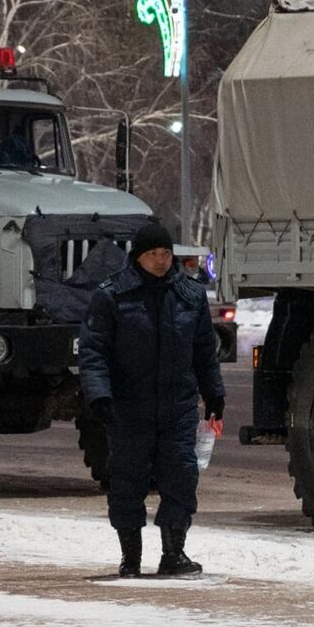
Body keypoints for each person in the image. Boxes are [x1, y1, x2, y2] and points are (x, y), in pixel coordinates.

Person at [78, 221, 227, 577]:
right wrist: (99, 395)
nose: (161, 261)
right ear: (138, 257)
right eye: (152, 254)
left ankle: (173, 555)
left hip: (177, 408)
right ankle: (130, 559)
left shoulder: (189, 296)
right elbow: (93, 351)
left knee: (180, 477)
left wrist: (214, 394)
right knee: (127, 481)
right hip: (130, 408)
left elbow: (205, 352)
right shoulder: (112, 296)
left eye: (165, 253)